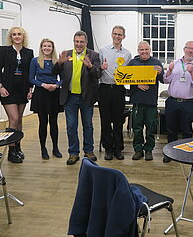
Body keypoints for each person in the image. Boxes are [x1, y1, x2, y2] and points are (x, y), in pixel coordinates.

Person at [52, 31, 102, 165]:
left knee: (88, 126)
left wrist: (91, 66)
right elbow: (54, 73)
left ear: (86, 43)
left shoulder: (94, 55)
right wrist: (59, 63)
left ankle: (88, 151)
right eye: (76, 41)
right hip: (70, 97)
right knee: (71, 126)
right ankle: (73, 153)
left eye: (81, 42)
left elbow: (98, 74)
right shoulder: (66, 55)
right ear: (73, 42)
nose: (79, 44)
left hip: (86, 97)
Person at [0, 27, 34, 163]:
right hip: (7, 89)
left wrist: (30, 89)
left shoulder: (29, 52)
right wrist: (0, 86)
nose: (17, 36)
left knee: (19, 120)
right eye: (14, 34)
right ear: (10, 37)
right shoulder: (4, 50)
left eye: (19, 34)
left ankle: (18, 147)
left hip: (22, 89)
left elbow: (30, 71)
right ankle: (11, 151)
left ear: (23, 36)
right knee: (14, 118)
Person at [163, 41, 193, 163]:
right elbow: (166, 80)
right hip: (172, 101)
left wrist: (192, 72)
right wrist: (169, 70)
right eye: (189, 48)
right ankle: (170, 153)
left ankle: (186, 154)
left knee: (186, 129)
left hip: (188, 103)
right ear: (184, 49)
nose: (190, 51)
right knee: (171, 129)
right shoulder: (174, 63)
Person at [98, 25, 132, 161]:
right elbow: (96, 71)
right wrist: (101, 67)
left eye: (120, 34)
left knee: (118, 121)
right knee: (105, 121)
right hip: (105, 88)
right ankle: (108, 149)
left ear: (124, 37)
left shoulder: (127, 54)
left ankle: (118, 149)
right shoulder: (102, 51)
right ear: (112, 35)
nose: (117, 36)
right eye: (115, 34)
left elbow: (130, 73)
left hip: (119, 89)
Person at [128, 41, 164, 161]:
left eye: (146, 49)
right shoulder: (133, 63)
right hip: (137, 101)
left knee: (151, 127)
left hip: (151, 101)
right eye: (141, 50)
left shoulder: (156, 63)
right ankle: (138, 150)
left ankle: (149, 150)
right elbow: (124, 78)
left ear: (150, 50)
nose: (144, 52)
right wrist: (137, 84)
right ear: (138, 51)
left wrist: (160, 73)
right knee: (137, 127)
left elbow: (163, 79)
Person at [29, 38, 64, 160]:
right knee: (42, 122)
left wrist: (57, 85)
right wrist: (43, 85)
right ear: (41, 47)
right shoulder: (35, 61)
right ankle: (43, 149)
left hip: (54, 93)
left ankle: (55, 148)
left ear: (52, 48)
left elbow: (63, 78)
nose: (47, 48)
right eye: (44, 46)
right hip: (41, 93)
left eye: (49, 46)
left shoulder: (57, 62)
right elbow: (31, 79)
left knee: (54, 122)